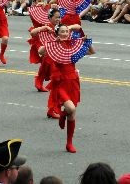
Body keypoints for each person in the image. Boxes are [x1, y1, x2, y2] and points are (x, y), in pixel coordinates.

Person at [38, 24, 94, 153]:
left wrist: (86, 42)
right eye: (62, 31)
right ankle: (63, 113)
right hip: (60, 82)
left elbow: (91, 52)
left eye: (66, 31)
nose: (64, 33)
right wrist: (53, 42)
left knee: (73, 113)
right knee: (70, 108)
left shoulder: (73, 45)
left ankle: (69, 143)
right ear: (57, 33)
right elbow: (40, 51)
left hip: (73, 82)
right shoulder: (53, 45)